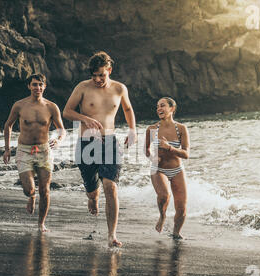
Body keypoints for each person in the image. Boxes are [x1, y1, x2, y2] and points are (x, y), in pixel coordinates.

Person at [63, 51, 137, 247]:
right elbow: (67, 111)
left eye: (101, 75)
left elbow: (128, 109)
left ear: (109, 70)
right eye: (94, 75)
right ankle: (92, 197)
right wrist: (85, 118)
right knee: (93, 190)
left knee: (110, 186)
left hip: (110, 141)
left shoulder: (120, 89)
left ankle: (112, 235)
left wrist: (132, 130)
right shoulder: (83, 87)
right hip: (87, 143)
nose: (97, 79)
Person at [3, 73, 66, 232]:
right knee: (29, 189)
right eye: (34, 84)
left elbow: (62, 129)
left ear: (44, 87)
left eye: (40, 84)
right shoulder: (19, 105)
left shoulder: (51, 107)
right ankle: (31, 197)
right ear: (29, 86)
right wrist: (7, 149)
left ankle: (41, 224)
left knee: (45, 190)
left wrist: (58, 140)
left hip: (44, 151)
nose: (37, 87)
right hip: (24, 150)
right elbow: (8, 126)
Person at [145, 97, 190, 239]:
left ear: (172, 108)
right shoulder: (152, 129)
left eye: (162, 105)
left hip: (177, 170)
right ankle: (162, 216)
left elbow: (186, 154)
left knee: (182, 209)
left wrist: (169, 148)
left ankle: (176, 233)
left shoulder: (181, 129)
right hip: (158, 169)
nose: (159, 109)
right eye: (157, 106)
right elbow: (146, 150)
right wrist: (152, 157)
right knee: (164, 195)